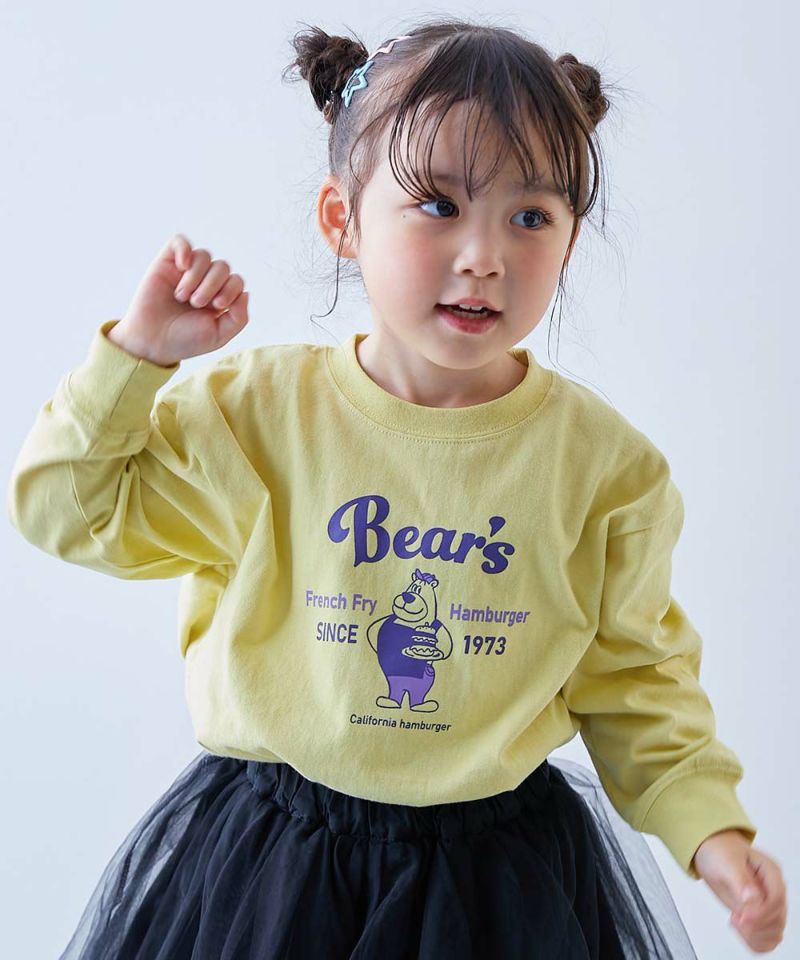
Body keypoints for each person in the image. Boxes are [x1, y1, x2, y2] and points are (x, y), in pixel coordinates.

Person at [6, 17, 787, 960]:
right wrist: (135, 360)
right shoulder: (254, 419)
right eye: (439, 204)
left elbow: (634, 681)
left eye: (530, 217)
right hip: (275, 872)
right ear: (343, 219)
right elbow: (66, 511)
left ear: (571, 239)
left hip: (496, 888)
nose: (484, 255)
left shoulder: (603, 469)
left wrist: (712, 832)